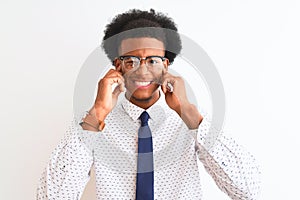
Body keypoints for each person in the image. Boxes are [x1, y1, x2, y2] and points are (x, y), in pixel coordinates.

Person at [37, 9, 261, 199]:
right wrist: (97, 113)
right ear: (118, 66)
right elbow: (51, 197)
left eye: (153, 60)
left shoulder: (191, 121)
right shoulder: (92, 125)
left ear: (166, 66)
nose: (142, 70)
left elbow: (248, 190)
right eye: (131, 60)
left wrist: (189, 113)